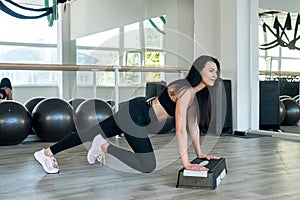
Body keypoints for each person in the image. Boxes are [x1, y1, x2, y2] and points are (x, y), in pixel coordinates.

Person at [34, 55, 221, 174]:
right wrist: (187, 163)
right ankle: (104, 146)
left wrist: (200, 153)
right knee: (148, 165)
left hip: (136, 112)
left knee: (89, 133)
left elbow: (193, 127)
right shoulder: (185, 91)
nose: (215, 74)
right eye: (211, 70)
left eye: (216, 72)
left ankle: (47, 153)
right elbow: (180, 130)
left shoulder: (195, 97)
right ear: (199, 70)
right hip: (135, 116)